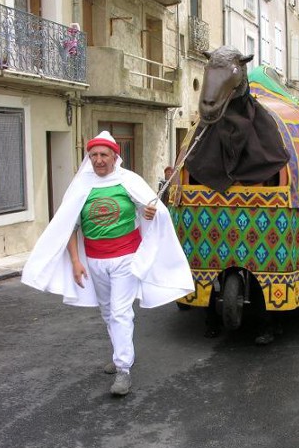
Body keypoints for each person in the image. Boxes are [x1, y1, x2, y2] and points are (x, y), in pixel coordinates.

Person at [22, 131, 194, 396]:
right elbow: (70, 226)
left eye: (104, 155)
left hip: (126, 258)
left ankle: (124, 369)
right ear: (88, 157)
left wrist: (149, 212)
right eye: (94, 155)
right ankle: (119, 355)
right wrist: (76, 261)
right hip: (94, 260)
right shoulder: (81, 185)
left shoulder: (128, 181)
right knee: (106, 311)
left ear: (115, 156)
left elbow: (149, 208)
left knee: (119, 312)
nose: (99, 160)